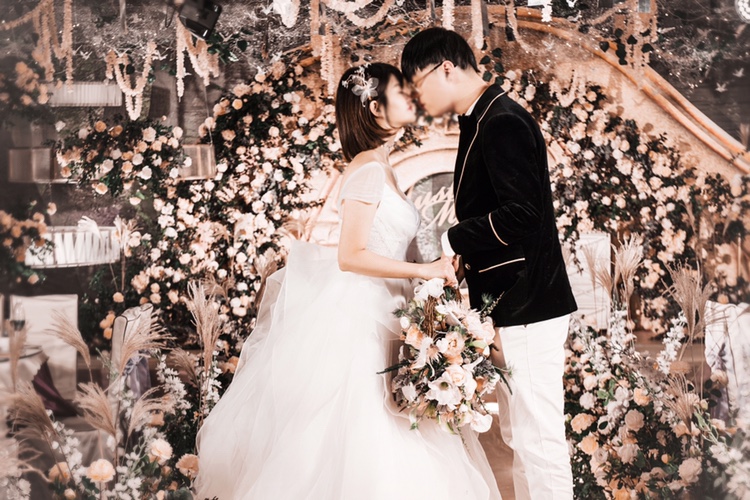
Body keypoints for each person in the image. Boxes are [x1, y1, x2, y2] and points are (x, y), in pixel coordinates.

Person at [194, 62, 502, 500]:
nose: (413, 98)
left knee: (402, 424)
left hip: (392, 311)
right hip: (363, 317)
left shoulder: (383, 169)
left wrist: (437, 270)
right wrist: (424, 271)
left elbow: (390, 247)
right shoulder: (367, 170)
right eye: (402, 92)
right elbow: (350, 255)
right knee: (368, 432)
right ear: (375, 107)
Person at [402, 28, 578, 500]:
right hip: (513, 302)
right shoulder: (482, 118)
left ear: (446, 68)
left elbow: (524, 214)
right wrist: (466, 259)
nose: (418, 99)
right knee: (521, 436)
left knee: (538, 439)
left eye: (417, 85)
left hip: (529, 302)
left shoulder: (501, 121)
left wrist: (454, 237)